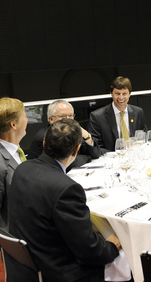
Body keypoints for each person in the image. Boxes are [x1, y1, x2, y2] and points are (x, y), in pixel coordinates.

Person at [6, 119, 121, 281]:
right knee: (123, 259)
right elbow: (89, 250)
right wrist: (111, 246)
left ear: (45, 142)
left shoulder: (22, 168)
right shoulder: (66, 188)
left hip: (22, 266)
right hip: (58, 272)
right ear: (76, 151)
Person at [28, 100, 102, 169]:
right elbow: (69, 163)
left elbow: (96, 154)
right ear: (51, 119)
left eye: (70, 115)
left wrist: (86, 136)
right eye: (62, 116)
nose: (67, 119)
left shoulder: (71, 131)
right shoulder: (49, 136)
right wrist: (88, 157)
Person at [89, 76, 147, 153]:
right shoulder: (97, 116)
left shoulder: (138, 112)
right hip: (111, 160)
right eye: (117, 93)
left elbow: (144, 137)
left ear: (129, 94)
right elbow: (96, 147)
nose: (121, 97)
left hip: (134, 156)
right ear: (111, 94)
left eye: (124, 93)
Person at [0, 97, 27, 230]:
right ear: (13, 125)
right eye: (24, 116)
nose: (27, 120)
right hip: (14, 235)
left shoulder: (17, 151)